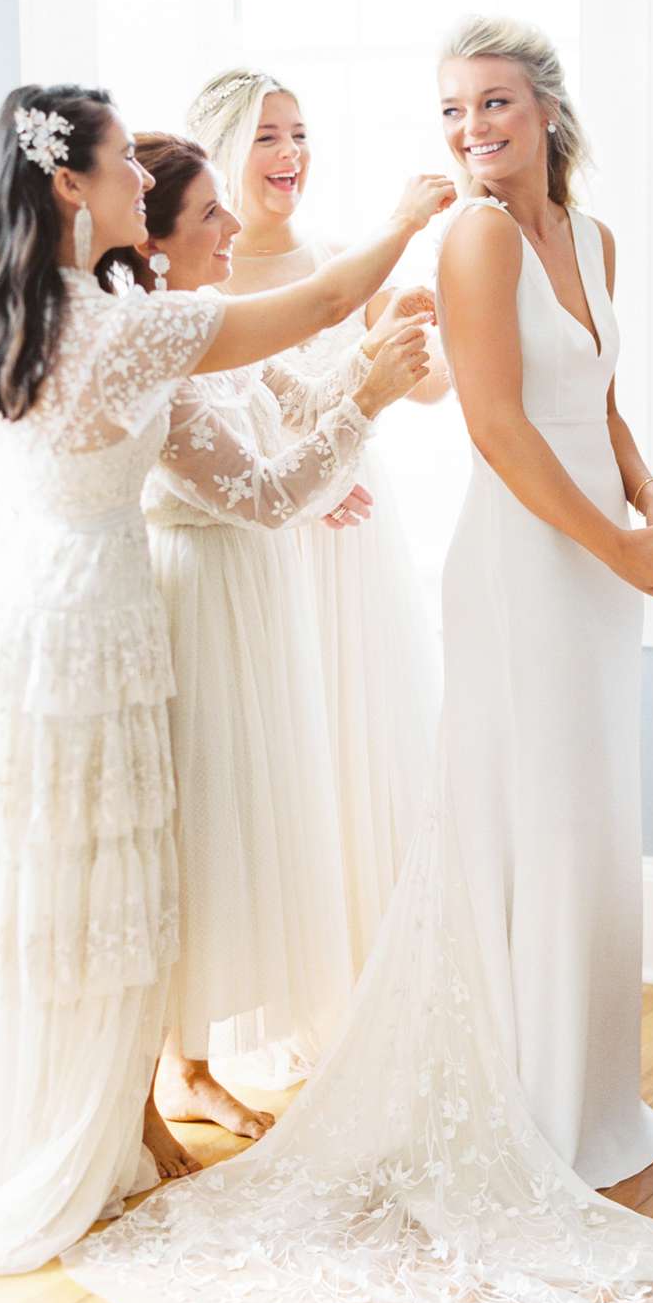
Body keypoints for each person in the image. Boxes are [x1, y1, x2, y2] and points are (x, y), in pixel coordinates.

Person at [64, 22, 653, 1303]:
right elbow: (497, 426)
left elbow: (594, 396)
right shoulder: (478, 242)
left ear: (548, 108)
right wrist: (616, 546)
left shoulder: (594, 240)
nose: (469, 127)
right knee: (528, 814)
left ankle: (588, 1094)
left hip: (595, 568)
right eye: (450, 109)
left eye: (492, 101)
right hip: (522, 566)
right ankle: (530, 1105)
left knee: (588, 816)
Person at [0, 82, 453, 1272]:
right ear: (70, 185)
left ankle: (75, 1111)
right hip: (91, 616)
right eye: (124, 165)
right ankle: (95, 1126)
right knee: (104, 881)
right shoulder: (134, 331)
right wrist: (401, 235)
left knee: (23, 873)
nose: (145, 178)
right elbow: (326, 309)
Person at [108, 133, 432, 1143]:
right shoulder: (149, 353)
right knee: (194, 833)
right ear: (155, 241)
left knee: (236, 814)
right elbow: (261, 494)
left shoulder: (210, 323)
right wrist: (363, 410)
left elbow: (300, 406)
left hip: (256, 598)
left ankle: (192, 1063)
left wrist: (366, 379)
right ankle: (152, 1072)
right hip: (198, 600)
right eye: (210, 214)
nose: (235, 227)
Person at [188, 72, 441, 969]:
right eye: (266, 136)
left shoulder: (341, 256)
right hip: (258, 529)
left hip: (349, 529)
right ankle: (287, 967)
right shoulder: (197, 286)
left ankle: (368, 960)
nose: (290, 153)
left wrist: (407, 329)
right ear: (218, 153)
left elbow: (427, 384)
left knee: (354, 731)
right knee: (277, 754)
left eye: (299, 132)